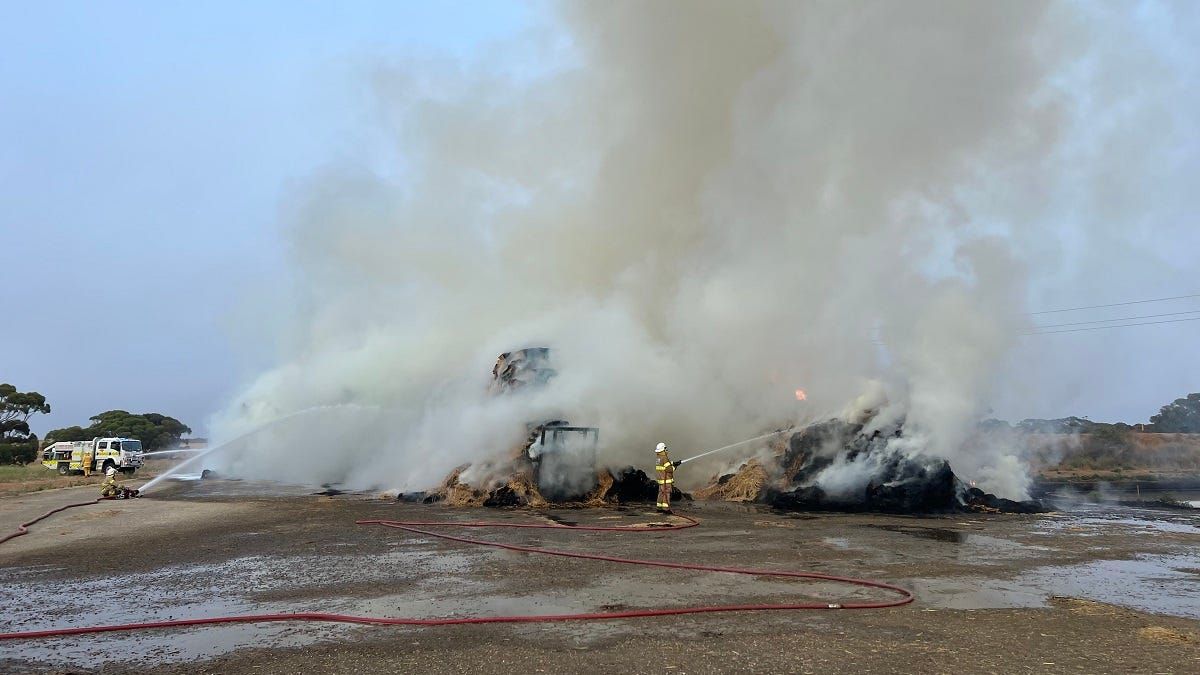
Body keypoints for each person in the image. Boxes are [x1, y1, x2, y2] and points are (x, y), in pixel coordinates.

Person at [654, 442, 679, 514]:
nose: (666, 450)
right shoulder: (664, 457)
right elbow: (669, 469)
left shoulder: (658, 458)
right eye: (665, 448)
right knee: (666, 493)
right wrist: (674, 467)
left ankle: (659, 508)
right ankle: (666, 509)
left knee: (661, 493)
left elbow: (664, 465)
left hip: (661, 480)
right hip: (666, 481)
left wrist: (673, 463)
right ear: (663, 449)